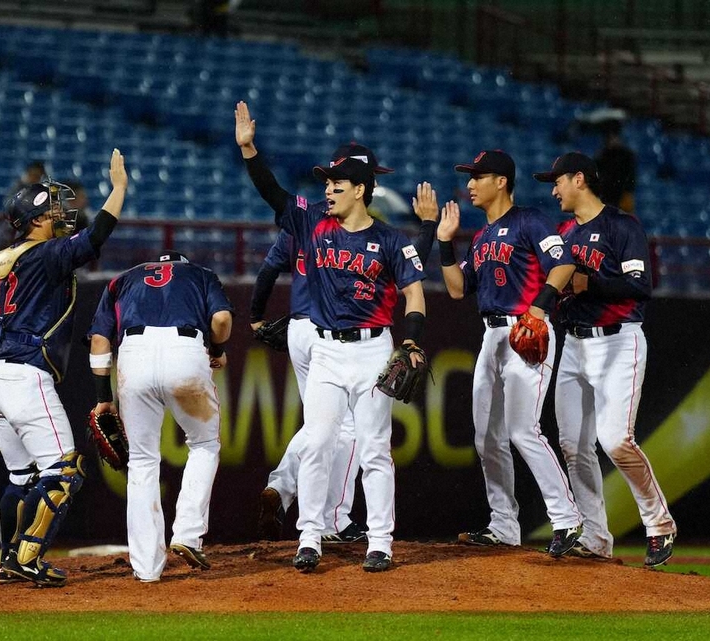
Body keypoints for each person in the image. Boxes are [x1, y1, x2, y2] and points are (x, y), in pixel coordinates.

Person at [236, 101, 428, 573]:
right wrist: (249, 149)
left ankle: (380, 541)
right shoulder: (311, 222)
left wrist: (412, 340)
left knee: (374, 449)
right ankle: (310, 537)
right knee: (319, 440)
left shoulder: (389, 239)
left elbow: (415, 294)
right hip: (324, 349)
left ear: (360, 190)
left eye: (336, 184)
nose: (327, 189)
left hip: (373, 351)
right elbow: (274, 194)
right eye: (325, 182)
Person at [0, 149, 127, 587]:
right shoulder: (46, 255)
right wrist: (118, 191)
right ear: (36, 219)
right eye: (53, 209)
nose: (62, 214)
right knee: (63, 470)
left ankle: (8, 560)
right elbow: (96, 236)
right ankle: (26, 557)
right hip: (27, 375)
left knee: (20, 478)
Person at [252, 202, 438, 544]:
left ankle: (283, 486)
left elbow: (268, 270)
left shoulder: (308, 221)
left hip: (301, 326)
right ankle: (333, 518)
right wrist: (427, 227)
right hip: (337, 327)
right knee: (347, 429)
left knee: (321, 426)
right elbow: (401, 269)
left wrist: (256, 315)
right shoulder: (348, 226)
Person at [430, 150, 582, 557]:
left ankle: (566, 517)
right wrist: (444, 243)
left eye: (478, 176)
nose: (470, 184)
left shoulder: (529, 220)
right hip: (492, 337)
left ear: (501, 181)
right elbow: (458, 288)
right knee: (487, 437)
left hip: (525, 330)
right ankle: (503, 525)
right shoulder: (480, 239)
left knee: (521, 430)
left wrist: (539, 306)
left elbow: (563, 264)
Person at [533, 152, 676, 567]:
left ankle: (659, 523)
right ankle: (595, 537)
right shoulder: (561, 233)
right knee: (573, 446)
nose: (553, 189)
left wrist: (588, 281)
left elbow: (640, 284)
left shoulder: (621, 226)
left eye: (557, 181)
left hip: (618, 341)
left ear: (580, 179)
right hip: (575, 344)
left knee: (615, 441)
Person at [87, 249, 233, 582]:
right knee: (205, 443)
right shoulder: (200, 274)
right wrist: (219, 350)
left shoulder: (122, 280)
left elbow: (98, 341)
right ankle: (187, 533)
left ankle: (146, 568)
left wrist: (102, 399)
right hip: (185, 349)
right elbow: (222, 320)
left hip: (133, 353)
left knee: (141, 461)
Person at [594, 120, 637, 214]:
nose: (611, 140)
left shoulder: (626, 155)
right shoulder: (602, 156)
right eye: (608, 138)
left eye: (613, 136)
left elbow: (631, 179)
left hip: (622, 197)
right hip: (606, 198)